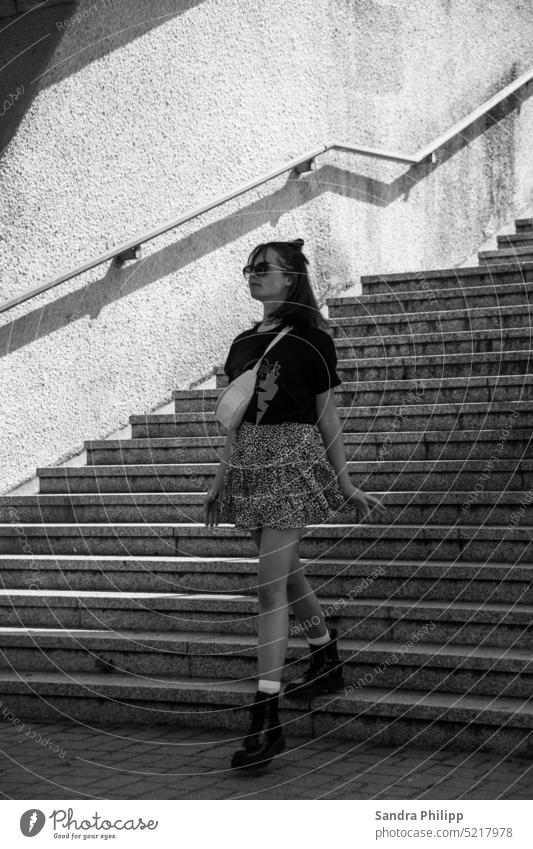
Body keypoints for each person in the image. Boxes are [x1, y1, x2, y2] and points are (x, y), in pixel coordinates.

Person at [203, 239, 388, 772]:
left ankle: (267, 717)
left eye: (263, 269)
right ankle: (325, 651)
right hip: (249, 463)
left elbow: (327, 418)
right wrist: (220, 480)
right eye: (249, 269)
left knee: (268, 589)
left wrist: (346, 483)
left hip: (290, 457)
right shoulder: (240, 343)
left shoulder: (313, 340)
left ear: (291, 279)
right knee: (282, 575)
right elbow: (237, 420)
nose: (252, 276)